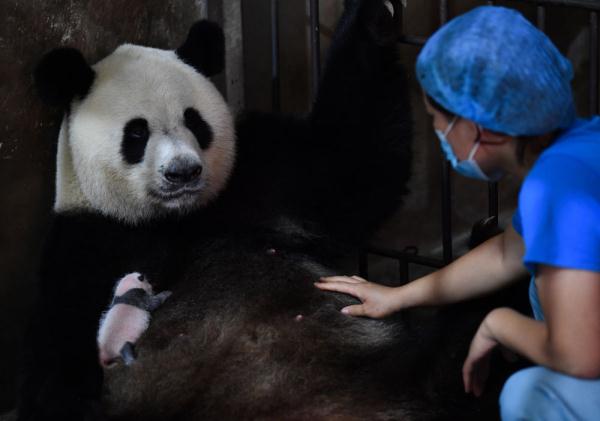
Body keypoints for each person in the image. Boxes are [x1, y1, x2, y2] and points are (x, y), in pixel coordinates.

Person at [315, 6, 600, 420]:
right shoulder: (585, 144)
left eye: (438, 120)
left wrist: (498, 324)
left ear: (483, 128)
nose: (437, 133)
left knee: (527, 393)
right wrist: (396, 297)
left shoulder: (553, 188)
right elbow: (507, 253)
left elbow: (580, 354)